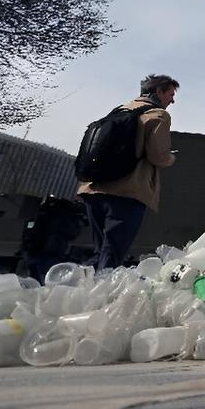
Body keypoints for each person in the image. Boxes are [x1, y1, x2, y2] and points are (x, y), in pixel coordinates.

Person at [77, 74, 178, 270]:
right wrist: (171, 158)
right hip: (127, 193)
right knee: (112, 256)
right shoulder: (158, 115)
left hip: (93, 189)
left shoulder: (117, 111)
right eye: (171, 94)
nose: (172, 100)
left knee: (100, 252)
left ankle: (83, 292)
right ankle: (101, 297)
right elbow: (158, 156)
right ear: (158, 91)